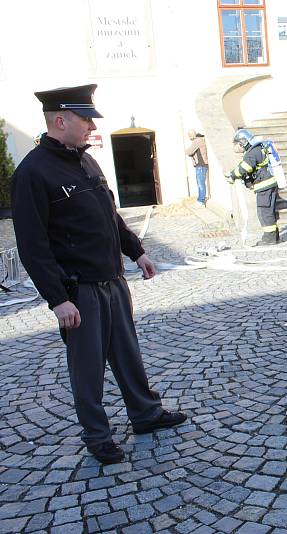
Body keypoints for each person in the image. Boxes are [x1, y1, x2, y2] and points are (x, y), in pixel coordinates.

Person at [10, 84, 187, 465]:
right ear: (60, 120)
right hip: (79, 290)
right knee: (87, 369)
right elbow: (33, 246)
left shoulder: (86, 161)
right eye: (84, 117)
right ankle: (97, 436)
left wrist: (136, 251)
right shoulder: (32, 173)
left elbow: (109, 216)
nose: (91, 124)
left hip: (113, 279)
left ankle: (146, 414)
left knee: (128, 356)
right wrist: (58, 299)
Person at [225, 128, 282, 246]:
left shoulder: (252, 152)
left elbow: (245, 168)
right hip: (270, 183)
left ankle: (269, 239)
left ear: (243, 142)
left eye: (237, 144)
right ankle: (274, 236)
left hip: (264, 185)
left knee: (264, 211)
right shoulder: (257, 149)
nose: (237, 147)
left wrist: (232, 175)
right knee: (269, 211)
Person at [185, 129, 208, 206]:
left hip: (201, 165)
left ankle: (201, 201)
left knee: (200, 183)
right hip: (200, 165)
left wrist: (187, 151)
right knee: (200, 183)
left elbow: (189, 151)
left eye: (189, 135)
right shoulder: (199, 140)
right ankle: (200, 199)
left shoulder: (197, 141)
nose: (189, 138)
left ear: (192, 135)